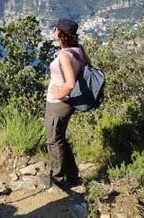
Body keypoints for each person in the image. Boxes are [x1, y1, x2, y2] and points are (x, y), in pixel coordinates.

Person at [45, 19, 90, 188]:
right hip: (68, 103)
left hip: (58, 104)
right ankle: (72, 176)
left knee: (53, 140)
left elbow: (70, 83)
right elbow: (87, 68)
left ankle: (57, 179)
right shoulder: (79, 50)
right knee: (60, 138)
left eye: (55, 29)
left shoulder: (64, 55)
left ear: (60, 33)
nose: (54, 31)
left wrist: (59, 92)